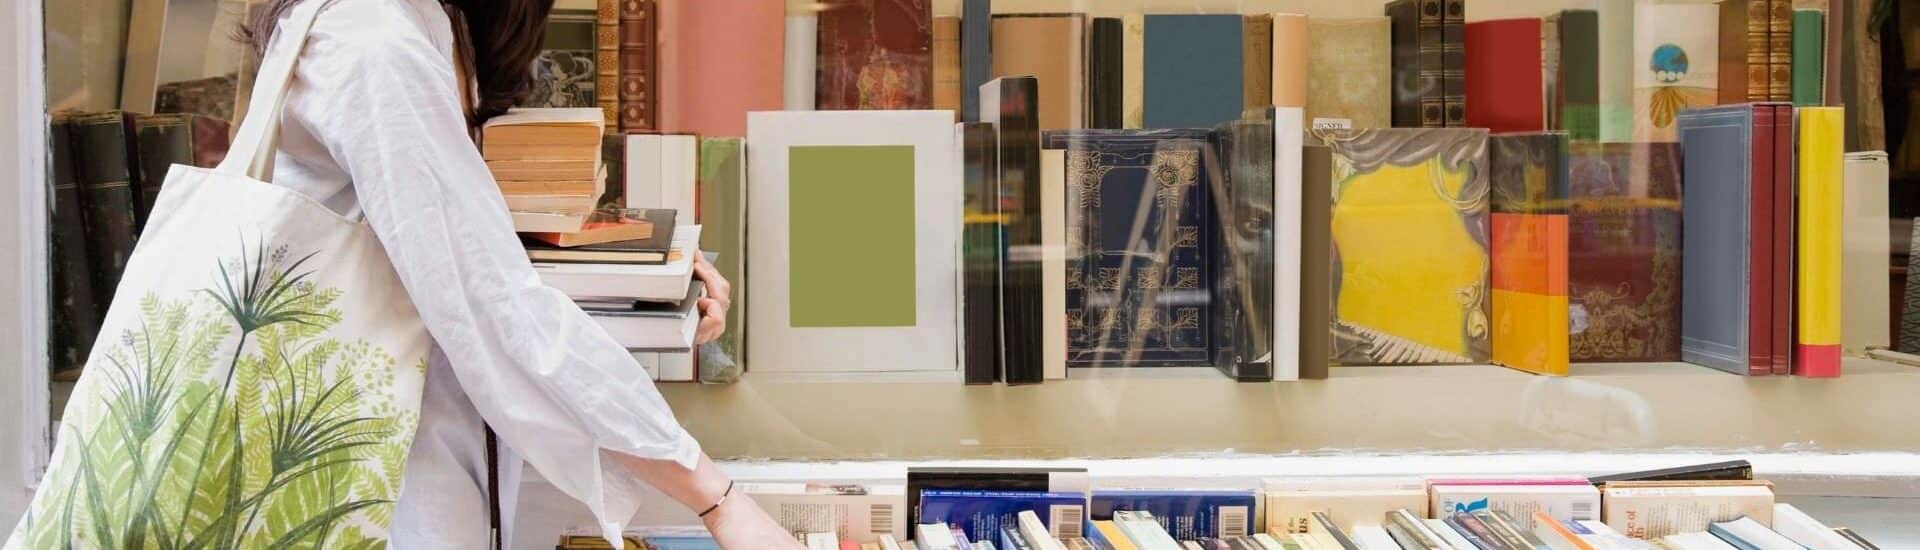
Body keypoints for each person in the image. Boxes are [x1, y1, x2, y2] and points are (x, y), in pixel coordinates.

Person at [239, 0, 803, 547]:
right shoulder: (375, 44)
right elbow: (491, 304)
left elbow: (458, 248)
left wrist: (660, 282)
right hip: (370, 482)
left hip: (399, 458)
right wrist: (718, 500)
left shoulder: (425, 27)